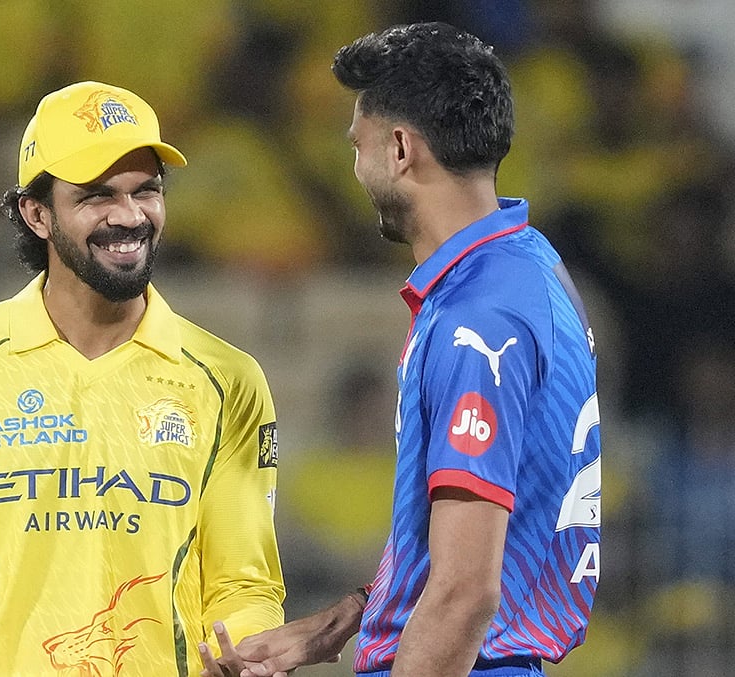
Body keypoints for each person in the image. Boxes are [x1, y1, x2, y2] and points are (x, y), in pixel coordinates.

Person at [200, 22, 601, 677]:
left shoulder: (479, 318)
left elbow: (467, 591)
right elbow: (481, 533)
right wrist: (357, 610)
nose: (353, 169)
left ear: (399, 149)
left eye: (356, 146)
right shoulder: (526, 266)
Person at [0, 80, 285, 675]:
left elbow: (245, 584)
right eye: (96, 196)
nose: (129, 216)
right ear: (37, 214)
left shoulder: (228, 379)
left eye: (147, 191)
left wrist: (249, 650)